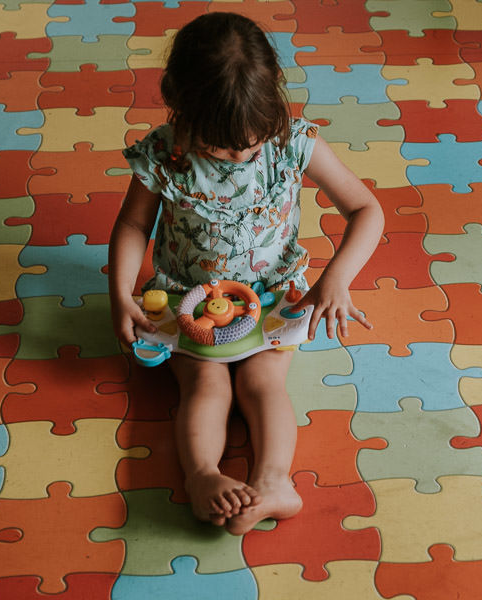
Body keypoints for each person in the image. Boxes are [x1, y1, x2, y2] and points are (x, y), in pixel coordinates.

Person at [107, 12, 384, 535]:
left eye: (251, 145)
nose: (240, 155)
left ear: (273, 104)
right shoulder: (166, 152)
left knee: (263, 382)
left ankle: (275, 482)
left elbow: (366, 210)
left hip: (275, 294)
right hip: (186, 298)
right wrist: (119, 291)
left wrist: (336, 278)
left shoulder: (293, 142)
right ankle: (203, 477)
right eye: (224, 147)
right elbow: (132, 225)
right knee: (205, 386)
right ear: (179, 103)